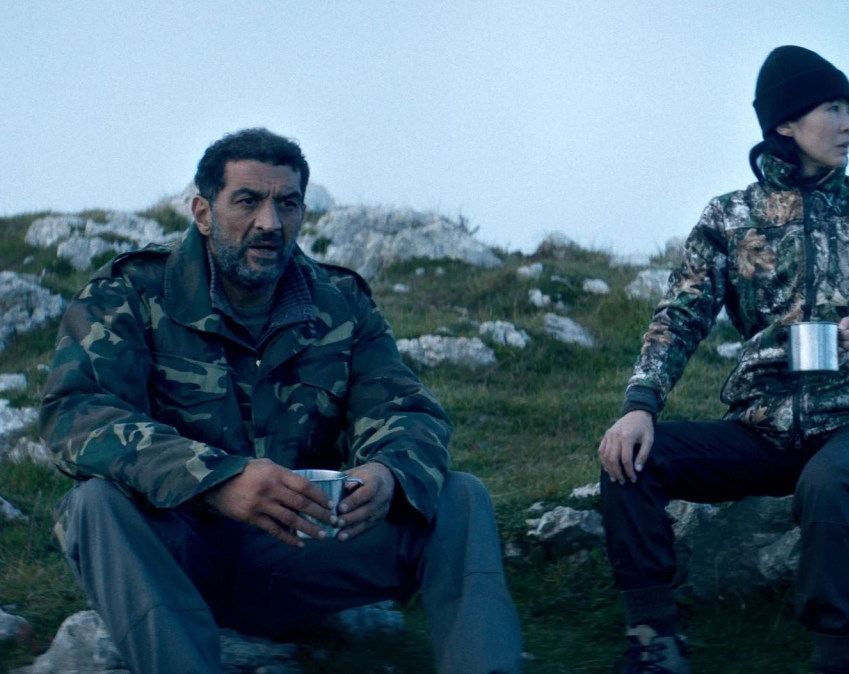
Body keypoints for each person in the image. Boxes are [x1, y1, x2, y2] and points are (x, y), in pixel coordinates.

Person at [39, 127, 523, 674]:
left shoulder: (340, 302)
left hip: (299, 548)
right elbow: (76, 413)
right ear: (203, 212)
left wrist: (387, 473)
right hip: (174, 554)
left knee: (459, 496)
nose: (270, 222)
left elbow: (404, 408)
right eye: (248, 201)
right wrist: (218, 480)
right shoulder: (129, 292)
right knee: (95, 503)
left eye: (287, 204)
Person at [597, 46, 849, 674]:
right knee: (630, 458)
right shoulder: (731, 217)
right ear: (786, 122)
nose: (847, 124)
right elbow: (680, 315)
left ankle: (838, 660)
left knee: (831, 482)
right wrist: (639, 406)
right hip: (763, 428)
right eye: (831, 108)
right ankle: (654, 641)